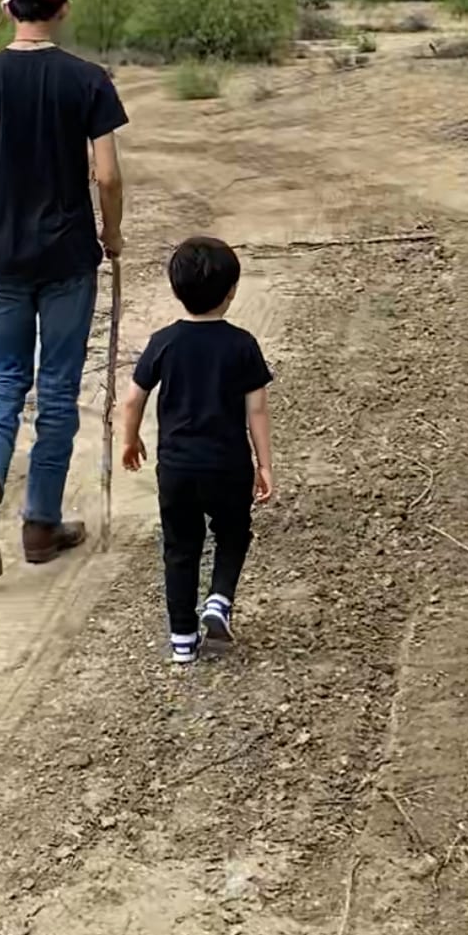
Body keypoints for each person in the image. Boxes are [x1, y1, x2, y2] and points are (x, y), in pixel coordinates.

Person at [0, 0, 126, 576]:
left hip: (2, 259)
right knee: (56, 390)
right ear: (63, 8)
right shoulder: (88, 81)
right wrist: (112, 233)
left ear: (7, 7)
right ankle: (40, 524)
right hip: (68, 258)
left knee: (5, 380)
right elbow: (107, 174)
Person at [122, 236, 273, 664]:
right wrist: (264, 464)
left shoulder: (163, 341)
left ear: (176, 290)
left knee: (180, 548)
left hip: (176, 468)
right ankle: (219, 599)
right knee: (233, 534)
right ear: (231, 292)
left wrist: (130, 439)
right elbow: (257, 410)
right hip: (228, 465)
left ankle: (183, 640)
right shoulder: (242, 345)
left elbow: (132, 399)